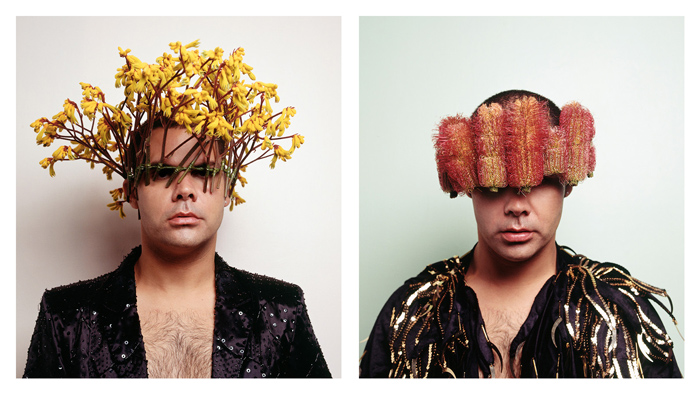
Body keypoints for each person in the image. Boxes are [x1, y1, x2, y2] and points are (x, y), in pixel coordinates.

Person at [23, 41, 330, 378]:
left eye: (203, 172)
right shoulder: (67, 315)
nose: (184, 190)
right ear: (132, 192)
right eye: (162, 172)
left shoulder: (281, 309)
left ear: (228, 189)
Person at [359, 90, 681, 378]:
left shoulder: (614, 310)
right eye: (494, 181)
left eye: (538, 180)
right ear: (469, 184)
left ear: (566, 183)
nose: (516, 206)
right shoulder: (415, 312)